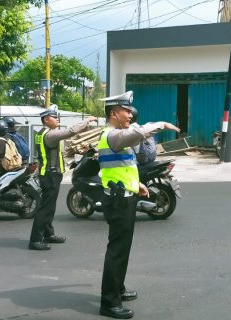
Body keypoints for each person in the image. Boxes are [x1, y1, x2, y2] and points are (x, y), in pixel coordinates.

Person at [97, 91, 180, 319]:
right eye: (126, 111)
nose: (130, 115)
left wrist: (138, 185)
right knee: (117, 251)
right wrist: (160, 124)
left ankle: (118, 289)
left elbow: (123, 167)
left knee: (122, 249)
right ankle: (109, 302)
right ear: (114, 113)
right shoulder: (113, 135)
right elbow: (138, 133)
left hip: (124, 194)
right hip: (118, 200)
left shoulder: (114, 135)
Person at [28, 107, 97, 251]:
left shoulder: (42, 133)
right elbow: (70, 131)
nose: (57, 119)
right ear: (46, 120)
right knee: (45, 208)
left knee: (50, 207)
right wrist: (87, 120)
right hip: (50, 175)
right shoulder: (50, 135)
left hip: (49, 173)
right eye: (54, 117)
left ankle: (48, 234)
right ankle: (35, 240)